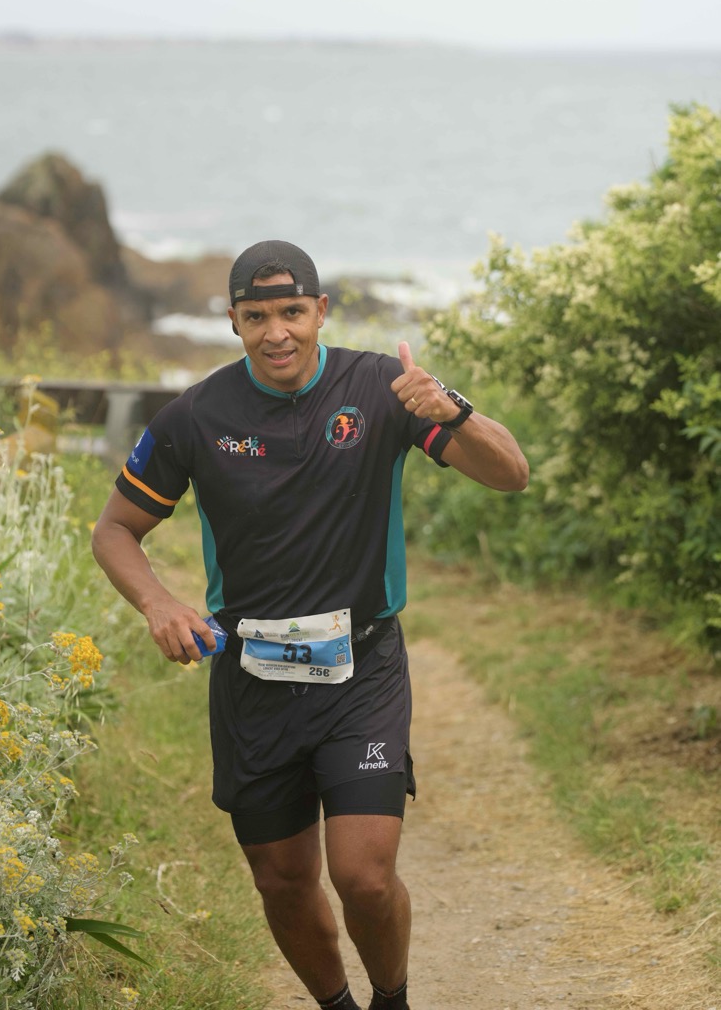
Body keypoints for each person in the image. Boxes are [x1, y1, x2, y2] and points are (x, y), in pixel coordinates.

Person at [92, 240, 529, 1010]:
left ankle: (390, 1001)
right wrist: (159, 603)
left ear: (320, 310)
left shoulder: (382, 388)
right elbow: (114, 530)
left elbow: (510, 474)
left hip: (362, 671)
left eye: (292, 312)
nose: (277, 333)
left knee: (363, 876)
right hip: (252, 681)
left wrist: (452, 411)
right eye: (256, 317)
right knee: (282, 880)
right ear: (232, 322)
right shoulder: (195, 416)